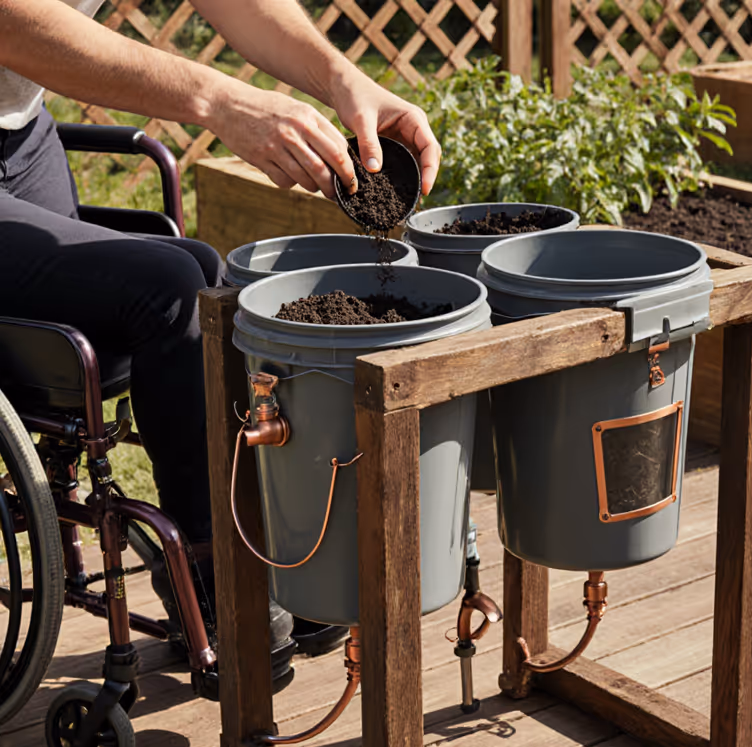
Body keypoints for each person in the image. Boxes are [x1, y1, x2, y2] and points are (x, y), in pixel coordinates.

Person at [0, 0, 441, 673]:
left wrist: (339, 76)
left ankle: (245, 553)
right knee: (170, 287)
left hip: (20, 141)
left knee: (204, 273)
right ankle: (213, 586)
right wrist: (219, 98)